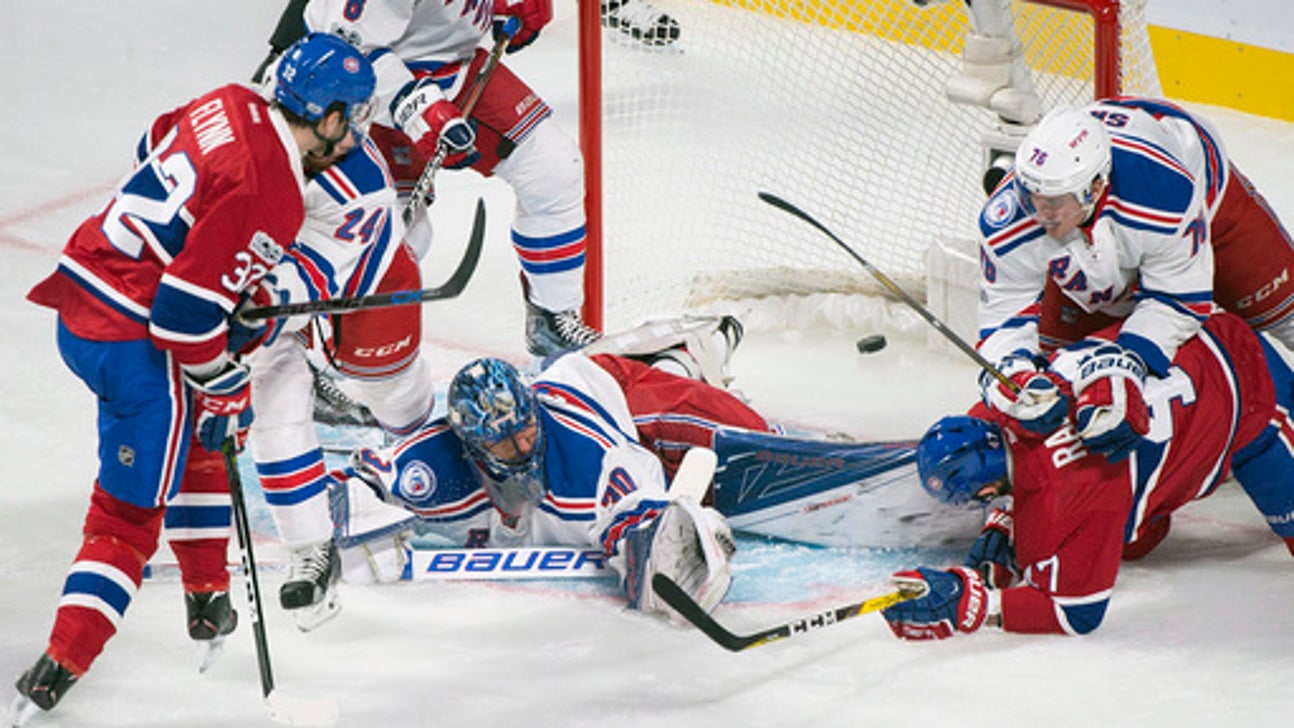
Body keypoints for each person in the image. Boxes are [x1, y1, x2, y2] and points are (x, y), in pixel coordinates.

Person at [10, 34, 376, 723]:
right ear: (327, 117)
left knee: (206, 423)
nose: (355, 134)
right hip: (132, 339)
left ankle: (208, 598)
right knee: (126, 519)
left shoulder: (231, 100)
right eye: (351, 118)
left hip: (84, 293)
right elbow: (182, 320)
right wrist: (229, 376)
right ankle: (57, 668)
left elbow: (153, 140)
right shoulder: (275, 191)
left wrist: (213, 260)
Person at [880, 310, 1294, 640]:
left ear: (988, 489)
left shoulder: (1060, 506)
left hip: (1255, 397)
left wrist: (973, 607)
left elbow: (1076, 613)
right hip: (1195, 331)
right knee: (1129, 538)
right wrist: (1006, 522)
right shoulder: (1007, 401)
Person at [253, 0, 602, 357]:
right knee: (389, 238)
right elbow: (345, 49)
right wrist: (420, 109)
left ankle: (552, 322)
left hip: (447, 66)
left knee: (552, 168)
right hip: (344, 91)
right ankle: (306, 354)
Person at [338, 343, 764, 618]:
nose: (523, 448)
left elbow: (638, 515)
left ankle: (683, 351)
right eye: (504, 443)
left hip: (615, 393)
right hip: (599, 423)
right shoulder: (435, 466)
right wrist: (363, 522)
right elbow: (350, 487)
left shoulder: (588, 458)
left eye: (526, 430)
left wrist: (672, 544)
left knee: (749, 433)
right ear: (471, 445)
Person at [975, 98, 1294, 460]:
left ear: (1095, 188)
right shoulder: (1008, 219)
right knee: (1063, 373)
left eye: (1054, 201)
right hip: (1104, 240)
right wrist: (1011, 372)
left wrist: (1127, 360)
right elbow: (1004, 315)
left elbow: (1178, 300)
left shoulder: (1163, 191)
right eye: (1030, 196)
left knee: (1284, 310)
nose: (1039, 213)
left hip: (1204, 194)